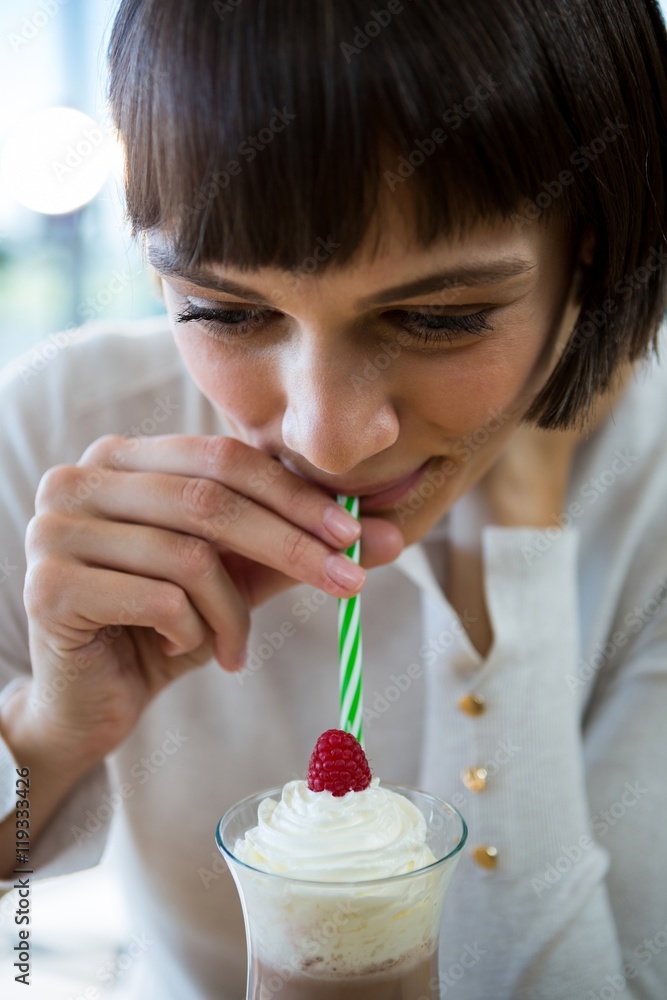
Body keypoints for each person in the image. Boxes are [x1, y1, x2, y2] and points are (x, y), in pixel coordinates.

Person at [1, 0, 667, 996]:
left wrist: (510, 571)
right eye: (222, 309)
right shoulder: (64, 429)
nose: (327, 434)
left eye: (440, 318)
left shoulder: (648, 493)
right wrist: (53, 729)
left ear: (591, 248)